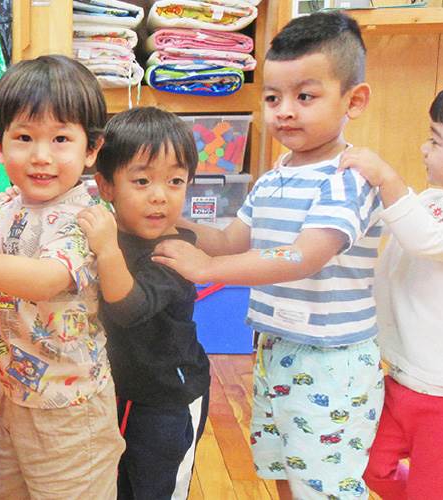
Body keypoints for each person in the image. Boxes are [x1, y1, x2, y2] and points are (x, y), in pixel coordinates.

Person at [154, 12, 383, 499]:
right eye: (273, 98)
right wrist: (170, 221)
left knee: (326, 484)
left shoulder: (349, 178)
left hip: (332, 358)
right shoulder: (275, 176)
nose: (285, 112)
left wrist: (208, 269)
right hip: (276, 345)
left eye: (306, 96)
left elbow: (305, 256)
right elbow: (230, 241)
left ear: (354, 100)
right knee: (284, 466)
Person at [0, 54, 125, 499]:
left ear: (91, 149)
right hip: (11, 395)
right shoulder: (6, 203)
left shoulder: (83, 216)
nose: (41, 156)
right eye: (24, 137)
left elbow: (46, 278)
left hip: (71, 410)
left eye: (61, 139)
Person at [340, 71, 443, 500]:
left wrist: (387, 178)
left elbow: (427, 239)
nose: (423, 148)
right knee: (369, 468)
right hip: (403, 377)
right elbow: (398, 222)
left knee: (431, 491)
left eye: (435, 141)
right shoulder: (434, 201)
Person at [78, 107, 210, 500]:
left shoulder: (175, 250)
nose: (159, 196)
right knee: (117, 485)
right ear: (106, 187)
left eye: (175, 181)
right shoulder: (108, 232)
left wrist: (107, 250)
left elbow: (129, 308)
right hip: (116, 391)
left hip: (170, 398)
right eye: (142, 180)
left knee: (157, 488)